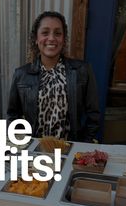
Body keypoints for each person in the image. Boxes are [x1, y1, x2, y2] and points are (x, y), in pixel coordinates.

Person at [7, 11, 100, 142]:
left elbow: (93, 115)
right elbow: (12, 116)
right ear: (36, 39)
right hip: (35, 151)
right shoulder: (21, 75)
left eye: (57, 33)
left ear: (63, 39)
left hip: (70, 149)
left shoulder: (81, 71)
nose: (51, 38)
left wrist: (83, 144)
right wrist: (22, 144)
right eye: (45, 33)